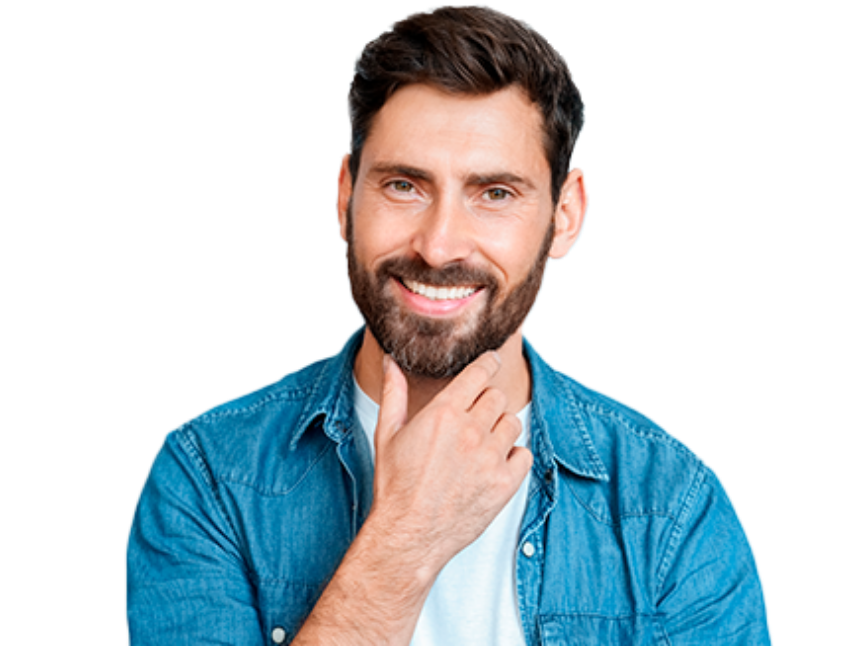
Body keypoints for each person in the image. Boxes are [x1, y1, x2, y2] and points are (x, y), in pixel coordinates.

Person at [125, 5, 772, 645]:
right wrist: (404, 540)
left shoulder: (671, 508)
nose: (438, 246)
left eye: (495, 193)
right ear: (345, 196)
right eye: (404, 185)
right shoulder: (209, 477)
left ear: (566, 215)